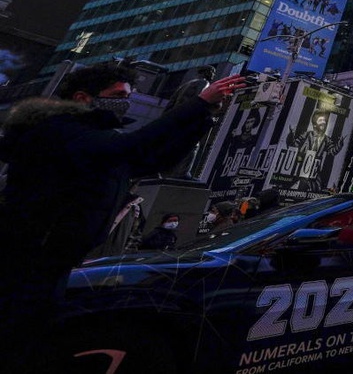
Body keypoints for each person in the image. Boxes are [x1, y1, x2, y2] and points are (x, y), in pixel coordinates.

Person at [0, 61, 246, 369]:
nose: (125, 100)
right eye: (118, 93)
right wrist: (198, 104)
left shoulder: (96, 138)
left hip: (55, 261)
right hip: (23, 261)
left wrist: (204, 117)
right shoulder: (58, 130)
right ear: (81, 98)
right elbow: (133, 145)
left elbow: (154, 158)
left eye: (129, 94)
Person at [166, 65, 219, 178]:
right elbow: (201, 100)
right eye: (212, 72)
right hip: (189, 118)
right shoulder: (204, 84)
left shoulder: (184, 85)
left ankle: (167, 171)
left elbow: (170, 104)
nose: (213, 75)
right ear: (207, 73)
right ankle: (183, 173)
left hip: (175, 119)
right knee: (193, 145)